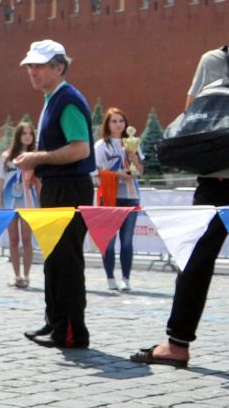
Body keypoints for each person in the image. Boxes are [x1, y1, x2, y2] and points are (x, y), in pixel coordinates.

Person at [131, 46, 229, 368]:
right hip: (215, 183)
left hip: (217, 179)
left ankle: (177, 345)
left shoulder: (214, 61)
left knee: (195, 263)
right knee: (194, 262)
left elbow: (193, 119)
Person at [13, 40, 94, 350]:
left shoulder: (67, 100)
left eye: (39, 65)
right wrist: (38, 164)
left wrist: (37, 159)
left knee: (66, 262)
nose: (31, 71)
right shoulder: (54, 98)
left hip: (69, 188)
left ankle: (71, 331)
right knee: (54, 260)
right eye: (29, 66)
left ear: (59, 67)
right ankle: (56, 323)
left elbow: (80, 148)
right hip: (59, 186)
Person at [95, 107, 142, 292]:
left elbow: (141, 169)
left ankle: (126, 278)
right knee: (109, 241)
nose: (118, 124)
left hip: (130, 197)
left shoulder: (132, 142)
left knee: (127, 240)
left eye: (121, 121)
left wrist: (134, 159)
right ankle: (110, 277)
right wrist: (117, 174)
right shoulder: (101, 145)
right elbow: (96, 170)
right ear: (107, 124)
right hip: (110, 197)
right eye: (114, 121)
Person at [0, 121, 39, 288]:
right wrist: (0, 203)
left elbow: (39, 183)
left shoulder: (36, 157)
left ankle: (26, 275)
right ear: (18, 136)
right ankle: (16, 276)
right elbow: (0, 182)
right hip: (10, 202)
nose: (27, 136)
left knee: (26, 239)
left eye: (30, 133)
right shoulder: (7, 157)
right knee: (13, 239)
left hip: (28, 202)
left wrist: (41, 202)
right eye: (24, 133)